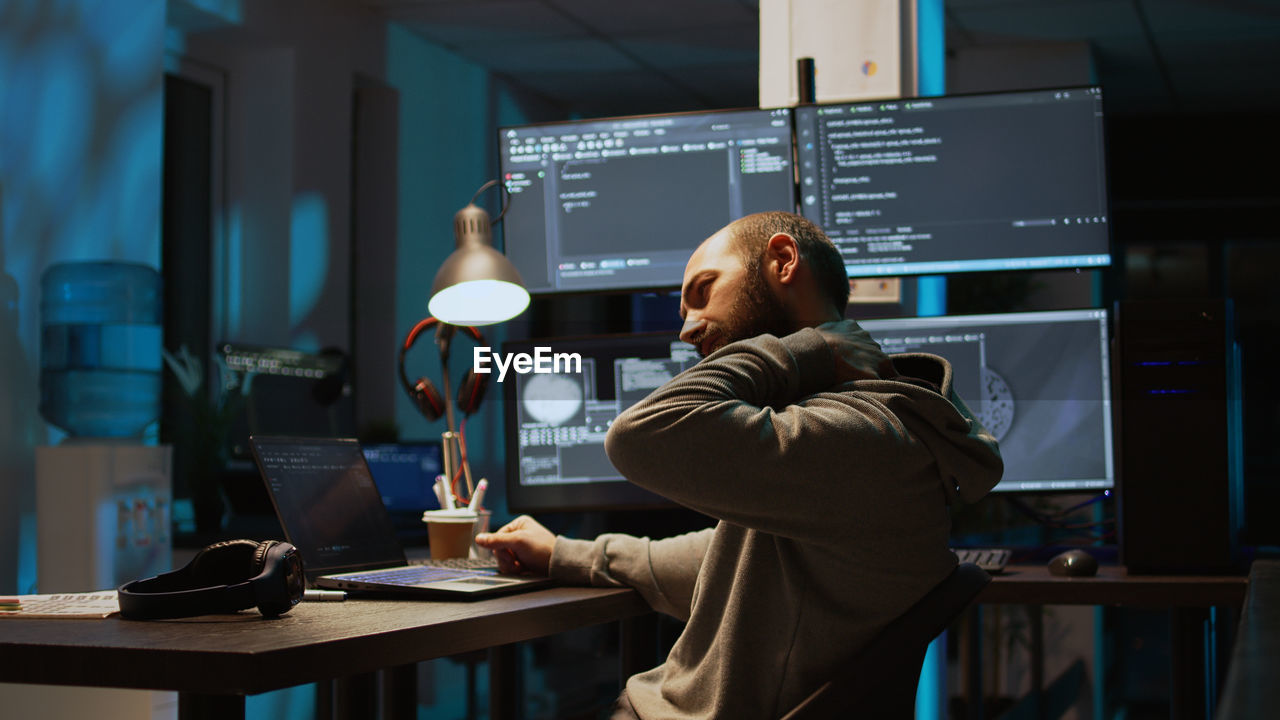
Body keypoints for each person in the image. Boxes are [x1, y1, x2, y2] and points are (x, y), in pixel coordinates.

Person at [476, 211, 1003, 719]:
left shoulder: (863, 437)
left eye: (703, 290)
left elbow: (639, 435)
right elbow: (730, 559)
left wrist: (806, 347)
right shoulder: (843, 437)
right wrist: (564, 553)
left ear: (782, 260)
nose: (686, 329)